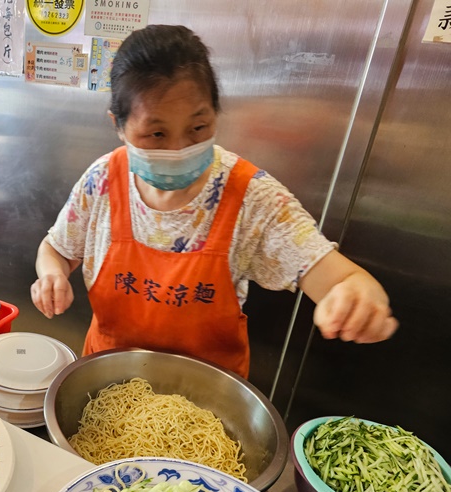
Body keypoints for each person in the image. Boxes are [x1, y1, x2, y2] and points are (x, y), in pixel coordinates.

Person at [30, 24, 397, 378]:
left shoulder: (252, 197)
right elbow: (58, 249)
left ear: (215, 114)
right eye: (156, 133)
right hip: (105, 383)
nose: (179, 148)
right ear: (119, 125)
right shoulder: (102, 182)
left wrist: (357, 296)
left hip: (206, 405)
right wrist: (51, 275)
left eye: (198, 128)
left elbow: (340, 278)